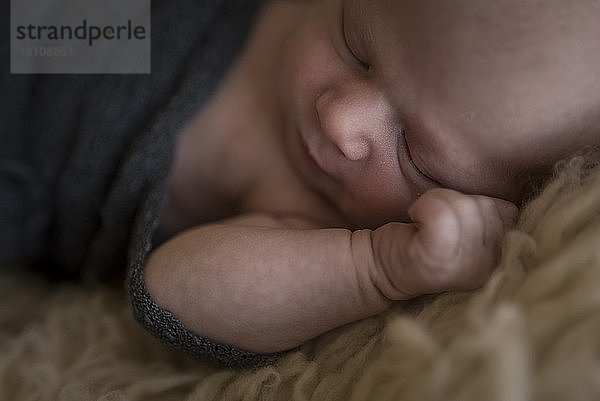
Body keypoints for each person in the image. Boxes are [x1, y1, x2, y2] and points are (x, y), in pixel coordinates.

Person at [1, 0, 599, 368]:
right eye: (357, 46)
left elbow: (172, 291)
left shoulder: (313, 222)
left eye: (416, 155)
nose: (341, 119)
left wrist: (372, 269)